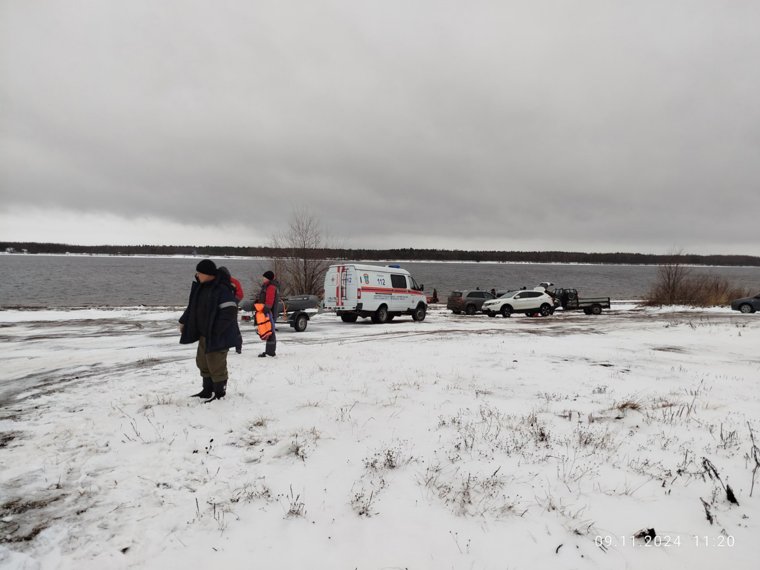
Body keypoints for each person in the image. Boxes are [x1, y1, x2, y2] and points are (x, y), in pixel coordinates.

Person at [179, 259, 242, 402]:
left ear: (207, 274)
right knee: (202, 362)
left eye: (200, 272)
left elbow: (229, 312)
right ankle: (207, 390)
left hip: (218, 335)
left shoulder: (222, 289)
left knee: (216, 364)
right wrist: (183, 321)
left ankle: (219, 393)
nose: (197, 275)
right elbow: (192, 307)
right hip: (204, 333)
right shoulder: (201, 287)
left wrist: (215, 330)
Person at [256, 270, 280, 357]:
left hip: (269, 312)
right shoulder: (268, 286)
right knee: (269, 331)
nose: (263, 279)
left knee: (270, 331)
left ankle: (270, 352)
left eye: (264, 277)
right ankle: (269, 351)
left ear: (268, 278)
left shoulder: (271, 287)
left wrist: (264, 310)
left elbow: (269, 301)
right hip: (268, 311)